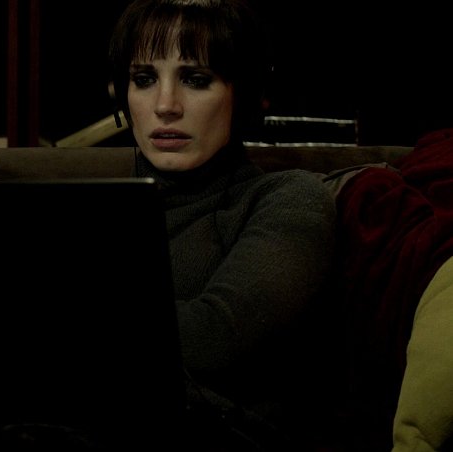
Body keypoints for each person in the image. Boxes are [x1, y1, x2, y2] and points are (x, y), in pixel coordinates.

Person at [108, 0, 340, 449]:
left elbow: (217, 338)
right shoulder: (97, 209)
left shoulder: (286, 198)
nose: (165, 105)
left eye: (196, 79)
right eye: (144, 79)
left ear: (244, 94)